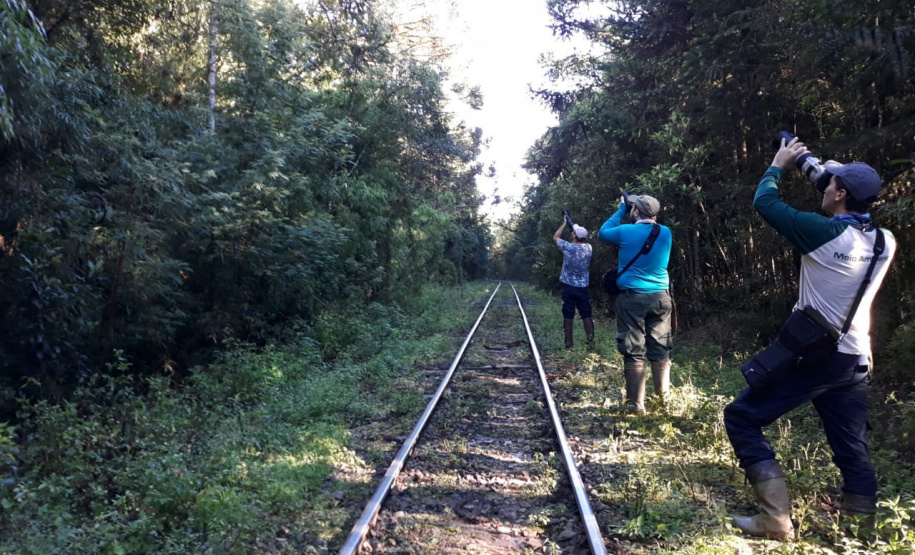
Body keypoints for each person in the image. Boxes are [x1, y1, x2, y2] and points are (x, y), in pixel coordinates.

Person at [724, 137, 897, 541]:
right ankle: (859, 533)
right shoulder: (884, 241)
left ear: (839, 193)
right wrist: (825, 171)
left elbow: (765, 203)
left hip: (817, 357)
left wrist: (779, 165)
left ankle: (775, 520)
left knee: (742, 417)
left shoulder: (819, 233)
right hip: (855, 359)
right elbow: (847, 203)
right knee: (851, 448)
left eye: (833, 184)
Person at [597, 194, 673, 413]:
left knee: (633, 349)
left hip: (632, 298)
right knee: (660, 348)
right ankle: (662, 404)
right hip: (661, 298)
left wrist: (621, 208)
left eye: (633, 208)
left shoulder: (625, 231)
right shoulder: (666, 232)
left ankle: (635, 406)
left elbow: (603, 232)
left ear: (636, 211)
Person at [553, 217, 594, 348]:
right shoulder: (589, 248)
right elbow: (581, 239)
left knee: (568, 314)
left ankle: (569, 343)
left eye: (573, 232)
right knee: (586, 313)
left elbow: (556, 237)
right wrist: (575, 228)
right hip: (583, 287)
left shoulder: (569, 247)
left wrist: (565, 223)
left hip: (568, 287)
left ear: (575, 235)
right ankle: (590, 340)